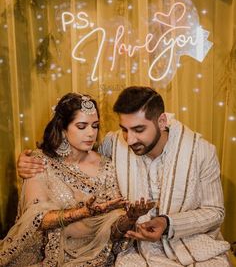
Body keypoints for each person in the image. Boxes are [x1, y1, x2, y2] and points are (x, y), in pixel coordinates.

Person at [16, 87, 231, 266]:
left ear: (162, 121)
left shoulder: (201, 151)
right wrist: (26, 161)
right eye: (125, 130)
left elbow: (215, 212)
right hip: (137, 249)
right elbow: (75, 153)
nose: (129, 140)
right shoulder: (114, 143)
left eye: (138, 129)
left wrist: (167, 223)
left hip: (192, 244)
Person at [0, 92, 154, 266]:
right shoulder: (40, 162)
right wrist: (84, 213)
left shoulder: (107, 167)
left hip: (96, 256)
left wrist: (130, 218)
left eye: (95, 126)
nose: (90, 133)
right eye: (82, 126)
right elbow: (36, 219)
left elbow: (112, 231)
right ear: (63, 129)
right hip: (47, 255)